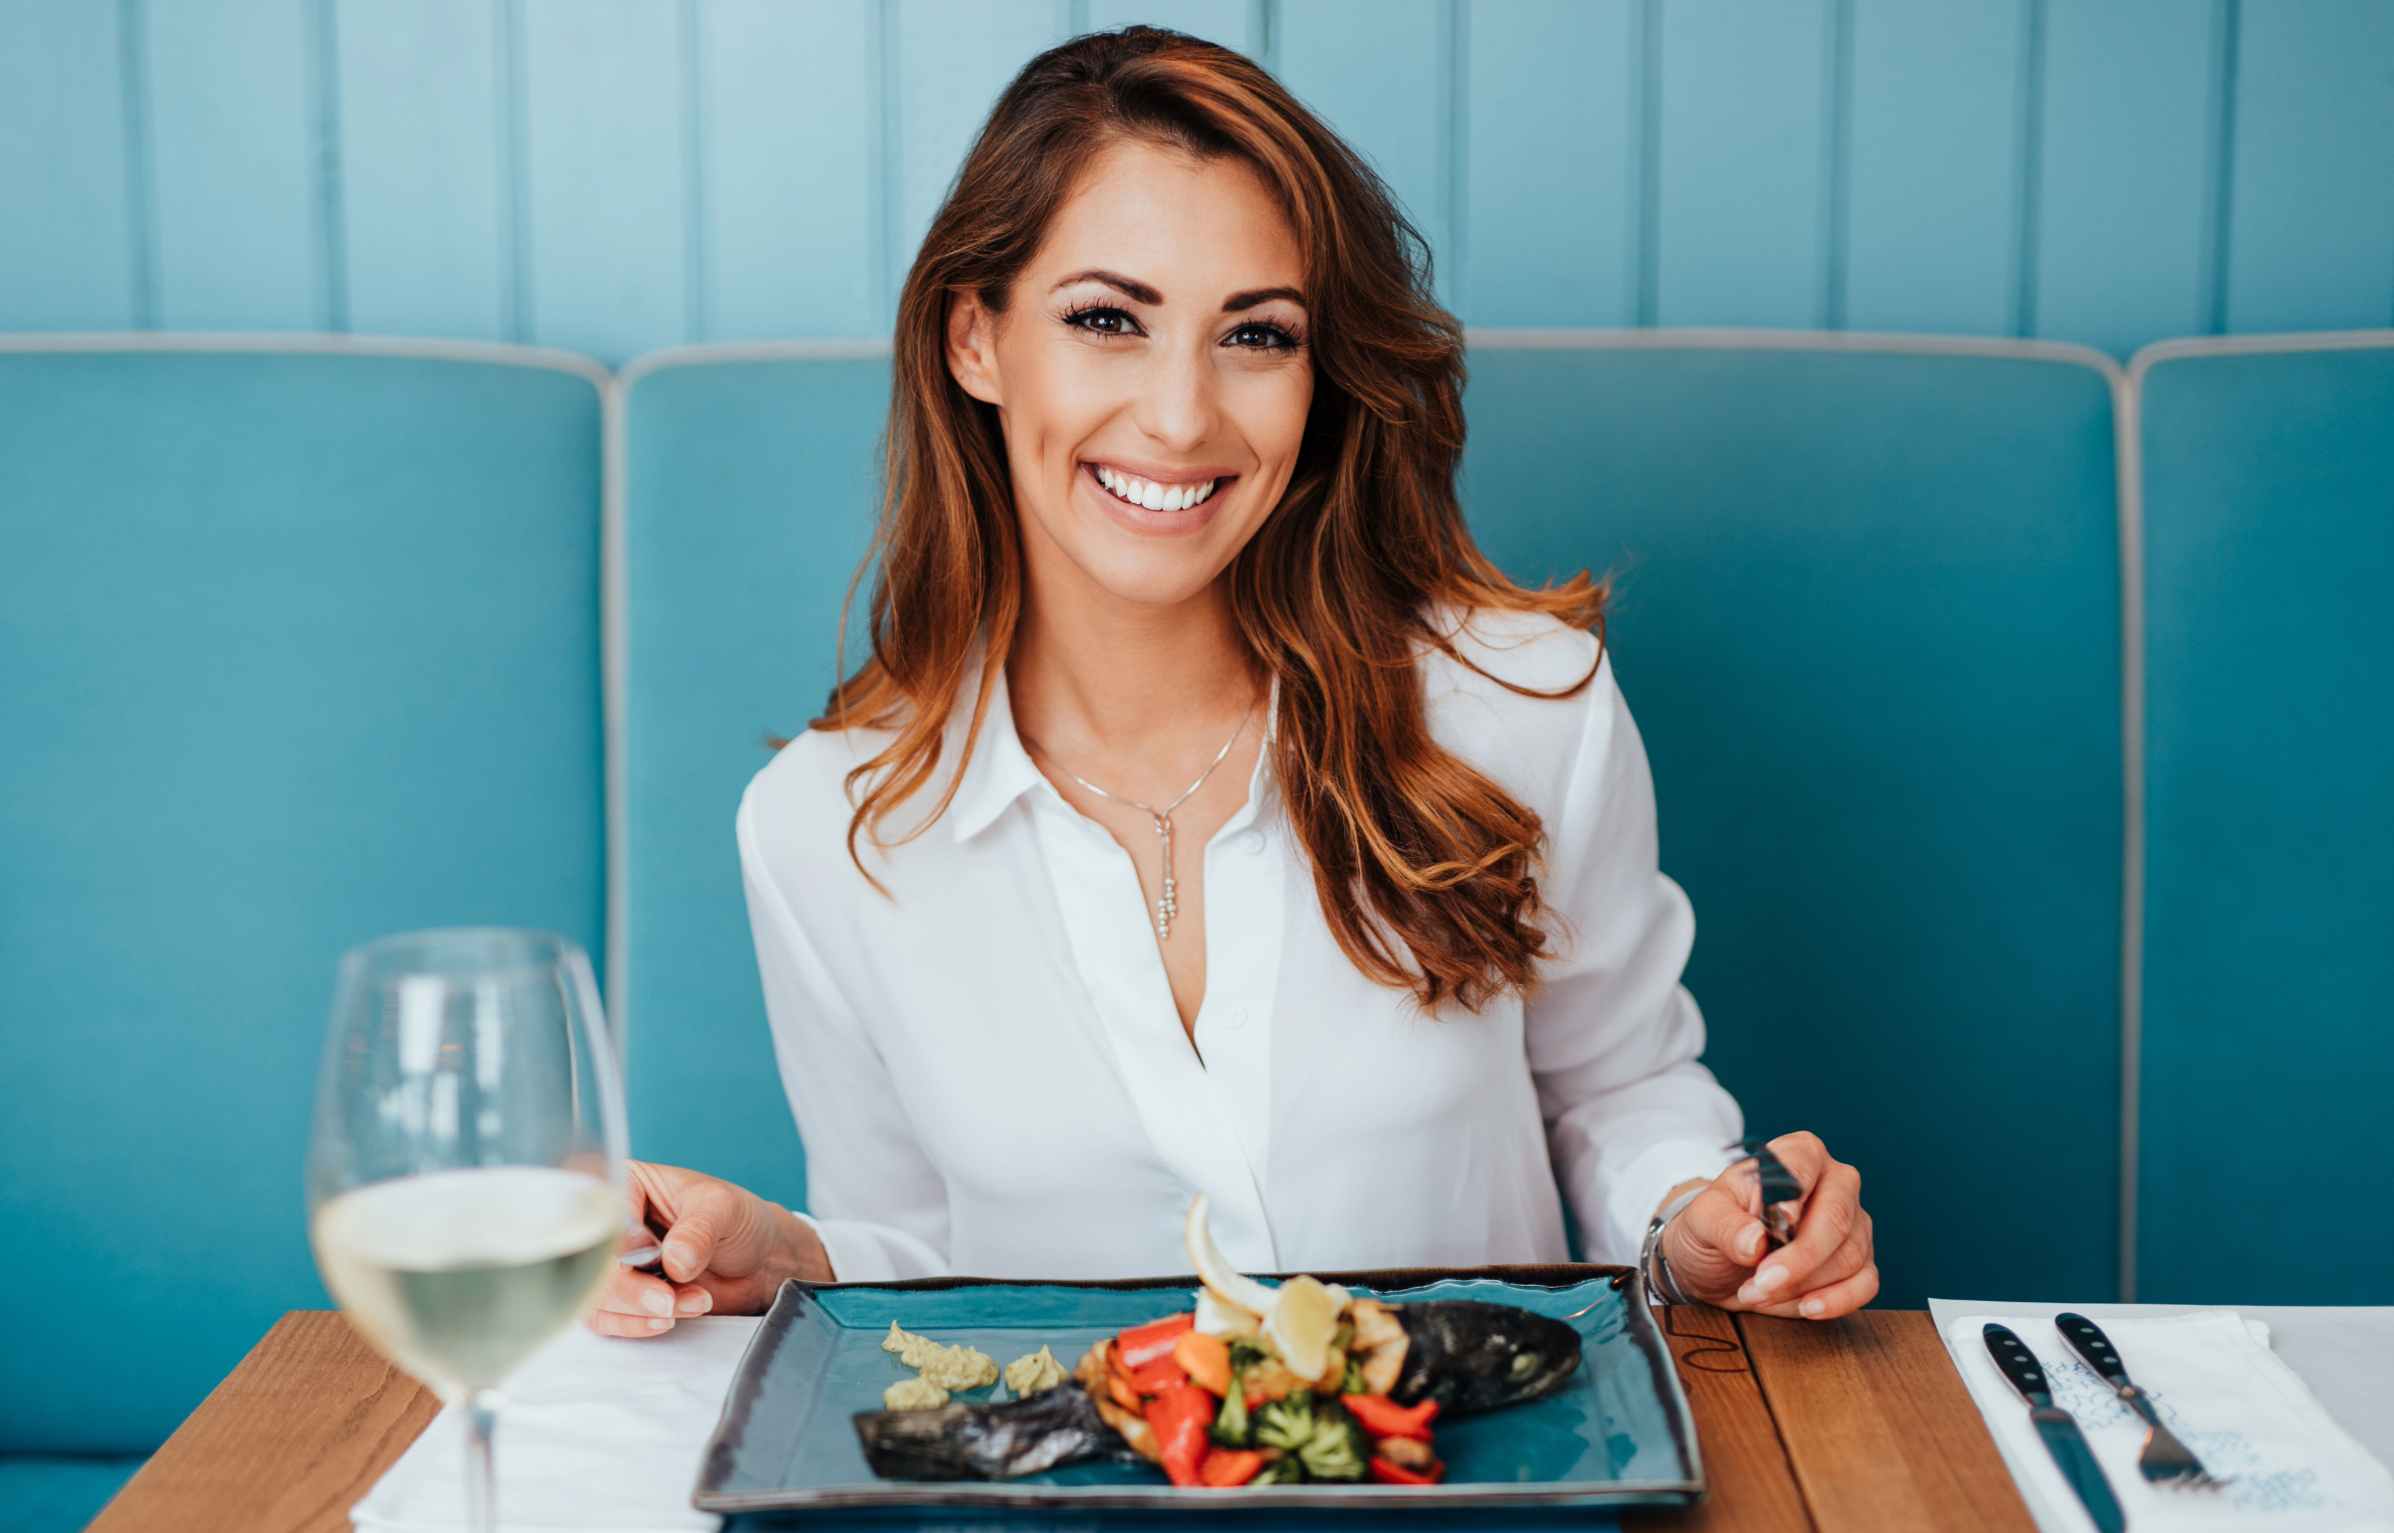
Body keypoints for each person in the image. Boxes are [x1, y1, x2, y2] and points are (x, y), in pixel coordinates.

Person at [586, 25, 1874, 1341]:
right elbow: (915, 1245)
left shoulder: (1521, 704)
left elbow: (1620, 1095)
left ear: (1319, 375)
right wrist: (780, 1252)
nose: (1181, 417)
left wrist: (1709, 1217)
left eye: (1254, 335)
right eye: (1105, 320)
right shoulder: (821, 824)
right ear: (975, 339)